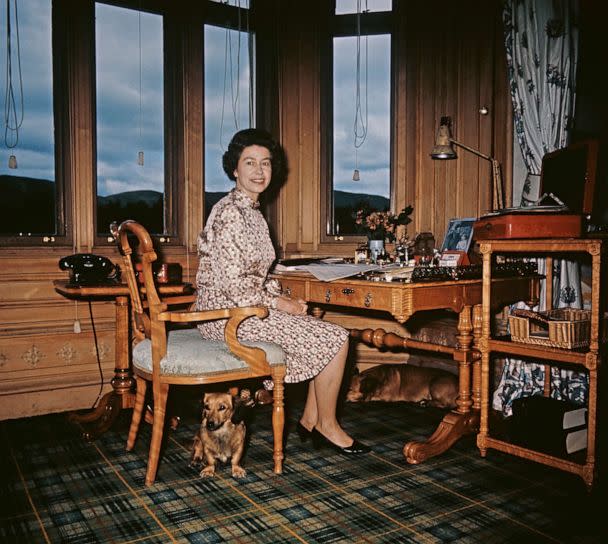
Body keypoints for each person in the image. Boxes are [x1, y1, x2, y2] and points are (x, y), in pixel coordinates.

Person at [195, 128, 370, 455]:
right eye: (250, 163)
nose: (259, 171)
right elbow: (235, 285)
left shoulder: (252, 212)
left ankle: (310, 420)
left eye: (265, 163)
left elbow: (259, 274)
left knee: (326, 332)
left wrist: (284, 298)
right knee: (337, 337)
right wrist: (279, 303)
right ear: (235, 168)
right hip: (225, 317)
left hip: (245, 307)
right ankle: (326, 426)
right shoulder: (230, 213)